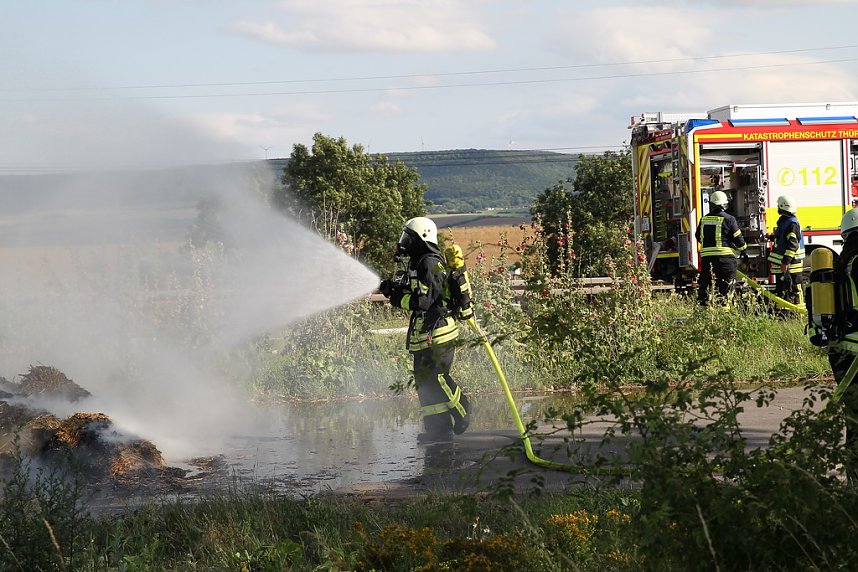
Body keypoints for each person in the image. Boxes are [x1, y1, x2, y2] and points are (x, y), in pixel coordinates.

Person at [379, 217, 471, 441]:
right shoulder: (417, 262)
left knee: (438, 378)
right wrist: (394, 288)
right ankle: (439, 431)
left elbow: (424, 301)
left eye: (409, 238)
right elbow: (418, 291)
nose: (404, 242)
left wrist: (396, 298)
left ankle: (463, 411)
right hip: (425, 334)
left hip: (439, 333)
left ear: (422, 238)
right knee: (424, 384)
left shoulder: (429, 263)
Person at [827, 208, 858, 478]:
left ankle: (853, 481)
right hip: (857, 351)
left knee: (854, 418)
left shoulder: (840, 261)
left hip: (840, 349)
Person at [695, 190, 747, 305]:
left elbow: (698, 236)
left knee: (706, 285)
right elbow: (738, 238)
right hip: (725, 259)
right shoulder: (729, 219)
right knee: (727, 286)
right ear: (725, 204)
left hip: (707, 259)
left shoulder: (704, 219)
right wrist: (744, 250)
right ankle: (725, 310)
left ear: (711, 204)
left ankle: (704, 309)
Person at [767, 194, 805, 304]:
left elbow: (793, 245)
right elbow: (784, 239)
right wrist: (772, 237)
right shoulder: (785, 223)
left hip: (791, 265)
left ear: (782, 207)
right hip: (785, 265)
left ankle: (800, 310)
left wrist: (785, 262)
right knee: (783, 291)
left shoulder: (791, 224)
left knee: (795, 289)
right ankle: (785, 311)